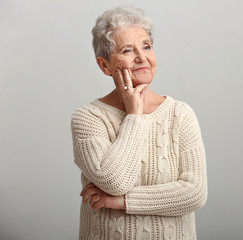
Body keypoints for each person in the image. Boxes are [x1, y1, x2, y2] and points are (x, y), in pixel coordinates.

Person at [71, 6, 207, 240]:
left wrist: (120, 202)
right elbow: (114, 181)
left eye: (146, 46)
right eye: (127, 50)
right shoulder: (88, 118)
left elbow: (194, 194)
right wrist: (135, 116)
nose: (142, 57)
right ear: (105, 66)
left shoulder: (180, 114)